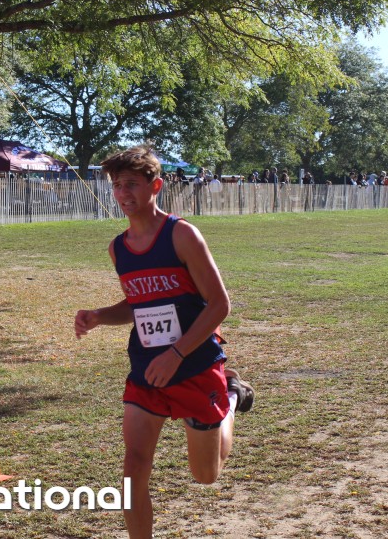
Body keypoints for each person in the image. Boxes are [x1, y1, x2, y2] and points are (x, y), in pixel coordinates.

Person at [74, 146, 254, 539]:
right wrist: (100, 315)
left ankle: (231, 397)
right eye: (117, 185)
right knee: (133, 468)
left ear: (155, 186)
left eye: (132, 184)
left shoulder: (181, 235)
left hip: (194, 366)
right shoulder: (118, 248)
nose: (123, 193)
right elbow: (137, 304)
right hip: (147, 369)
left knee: (205, 475)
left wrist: (176, 353)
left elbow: (219, 304)